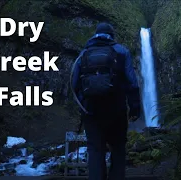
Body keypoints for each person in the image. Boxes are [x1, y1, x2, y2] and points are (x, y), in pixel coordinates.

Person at [70, 22, 141, 180]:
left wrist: (84, 106)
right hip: (117, 111)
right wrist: (135, 108)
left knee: (95, 150)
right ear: (112, 35)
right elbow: (132, 83)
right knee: (118, 149)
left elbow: (74, 85)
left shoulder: (83, 54)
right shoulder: (122, 51)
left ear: (95, 34)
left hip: (91, 112)